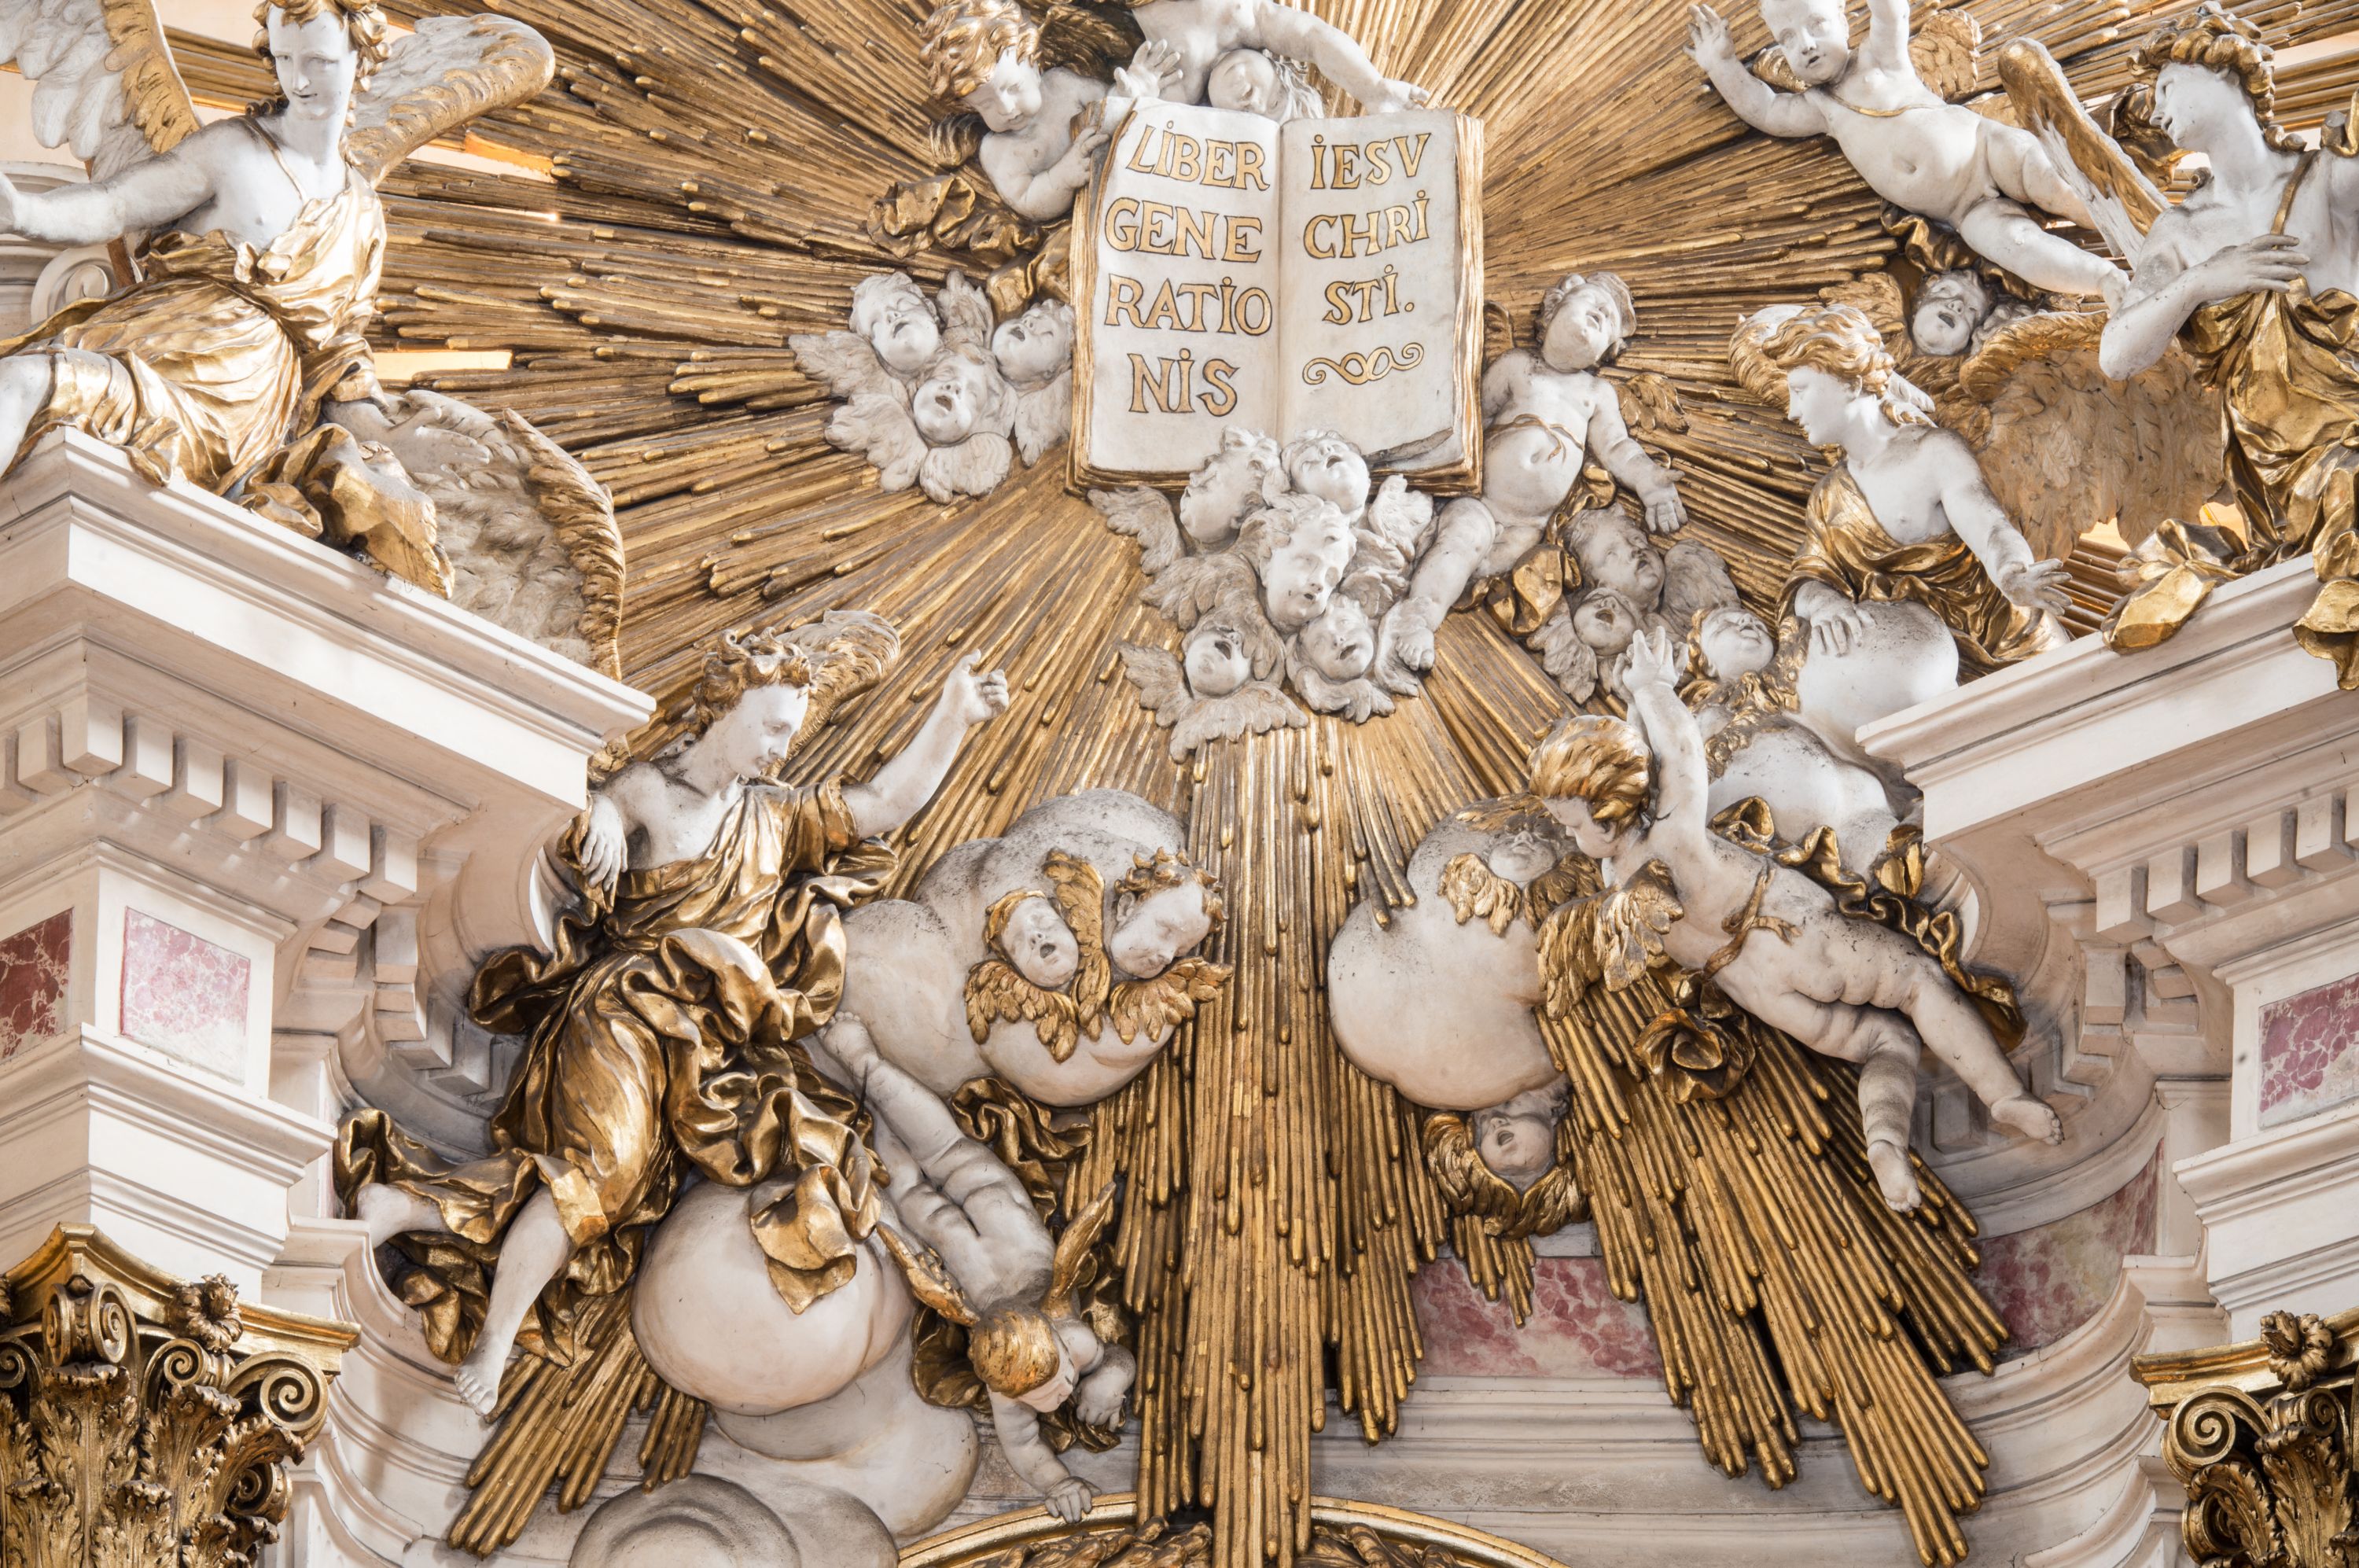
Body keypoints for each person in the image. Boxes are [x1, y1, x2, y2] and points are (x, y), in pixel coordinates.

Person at [340, 628, 1010, 1415]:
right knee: (599, 1178)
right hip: (626, 1010)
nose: (781, 749)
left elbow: (884, 804)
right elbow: (593, 806)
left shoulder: (776, 816)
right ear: (726, 706)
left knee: (604, 1188)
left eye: (790, 735)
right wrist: (597, 811)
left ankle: (410, 1208)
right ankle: (492, 1336)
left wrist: (953, 716)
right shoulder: (650, 792)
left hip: (697, 1053)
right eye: (771, 728)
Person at [1530, 626, 2060, 1210]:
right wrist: (1654, 688)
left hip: (1758, 991)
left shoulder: (1617, 877)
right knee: (1917, 981)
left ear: (1608, 816)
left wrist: (1636, 702)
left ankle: (1885, 1143)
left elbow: (1641, 766)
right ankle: (2004, 1095)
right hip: (1795, 937)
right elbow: (1676, 753)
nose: (1571, 837)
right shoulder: (1673, 835)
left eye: (1571, 824)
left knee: (1885, 1042)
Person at [1685, 0, 2124, 304]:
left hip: (1986, 149)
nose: (1805, 44)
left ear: (1844, 20)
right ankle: (2107, 281)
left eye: (1816, 25)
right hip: (1962, 211)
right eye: (1788, 38)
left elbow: (1891, 13)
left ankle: (2126, 226)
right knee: (2019, 247)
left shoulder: (1879, 58)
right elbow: (1765, 109)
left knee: (2053, 186)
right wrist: (1721, 64)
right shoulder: (1820, 109)